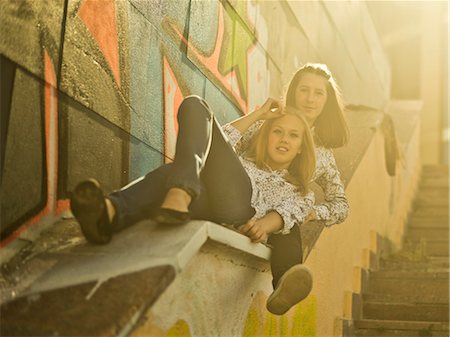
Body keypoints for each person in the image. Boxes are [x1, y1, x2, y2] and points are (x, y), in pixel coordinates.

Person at [70, 95, 318, 313]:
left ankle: (179, 189)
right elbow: (212, 135)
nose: (284, 139)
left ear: (300, 148)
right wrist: (259, 115)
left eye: (293, 135)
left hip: (242, 210)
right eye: (277, 131)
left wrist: (264, 225)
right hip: (211, 206)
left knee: (186, 151)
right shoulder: (245, 161)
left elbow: (288, 214)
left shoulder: (299, 189)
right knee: (193, 109)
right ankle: (109, 214)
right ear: (266, 136)